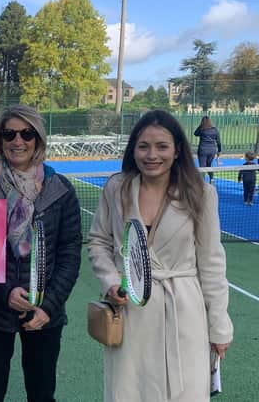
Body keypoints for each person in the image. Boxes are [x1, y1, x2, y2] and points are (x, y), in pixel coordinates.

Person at [88, 110, 233, 401]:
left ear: (177, 149)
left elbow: (212, 263)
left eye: (162, 146)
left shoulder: (201, 194)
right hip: (132, 314)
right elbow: (99, 242)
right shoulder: (116, 189)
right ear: (133, 150)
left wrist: (219, 326)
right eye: (143, 146)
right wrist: (111, 282)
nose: (152, 155)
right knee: (130, 392)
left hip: (185, 315)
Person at [0, 105, 82, 402]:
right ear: (0, 140)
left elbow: (69, 253)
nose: (18, 141)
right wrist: (6, 293)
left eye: (27, 133)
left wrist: (48, 306)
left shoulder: (61, 189)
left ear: (38, 139)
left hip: (45, 312)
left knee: (42, 393)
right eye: (9, 134)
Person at [193, 115, 221, 183]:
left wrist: (200, 126)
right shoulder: (215, 130)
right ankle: (212, 179)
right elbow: (218, 141)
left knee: (202, 167)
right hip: (212, 150)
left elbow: (195, 133)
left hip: (203, 150)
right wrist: (219, 150)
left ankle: (202, 182)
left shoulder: (202, 130)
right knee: (209, 165)